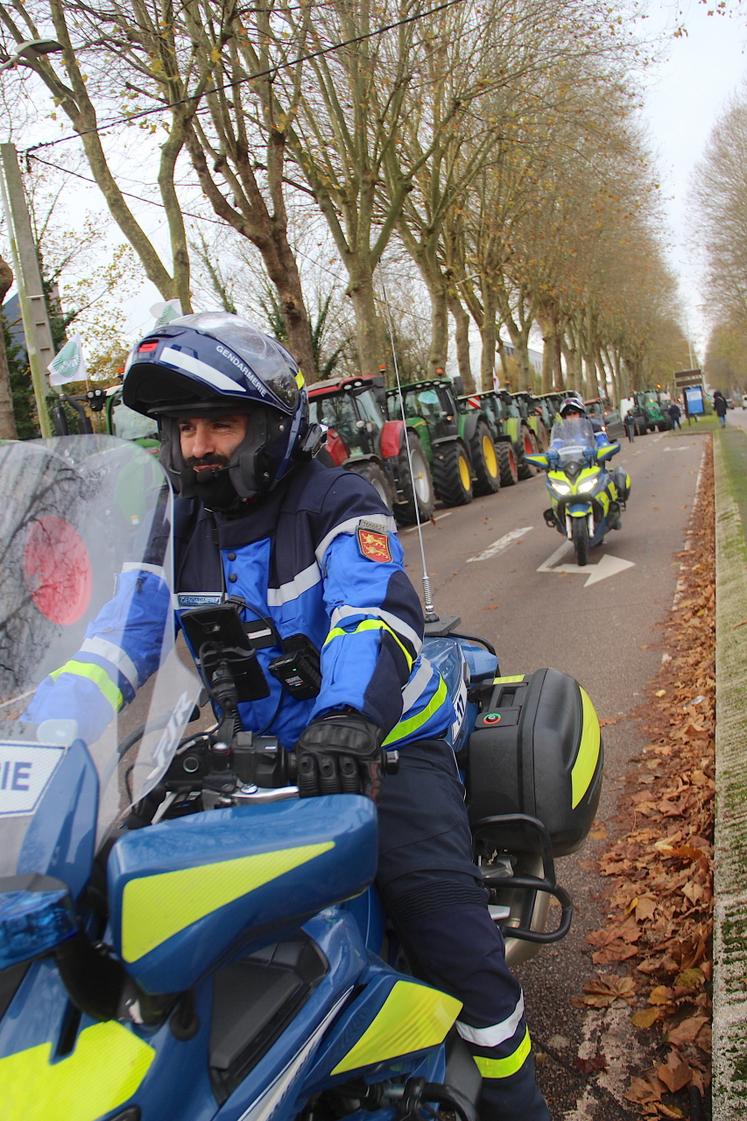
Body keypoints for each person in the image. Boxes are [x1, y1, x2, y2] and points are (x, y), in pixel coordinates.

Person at [24, 313, 550, 1121]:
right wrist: (43, 726)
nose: (198, 445)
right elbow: (117, 641)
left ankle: (515, 1087)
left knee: (443, 919)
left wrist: (346, 717)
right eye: (184, 427)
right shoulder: (178, 525)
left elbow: (370, 613)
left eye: (220, 423)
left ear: (271, 423)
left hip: (379, 746)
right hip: (254, 758)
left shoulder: (335, 499)